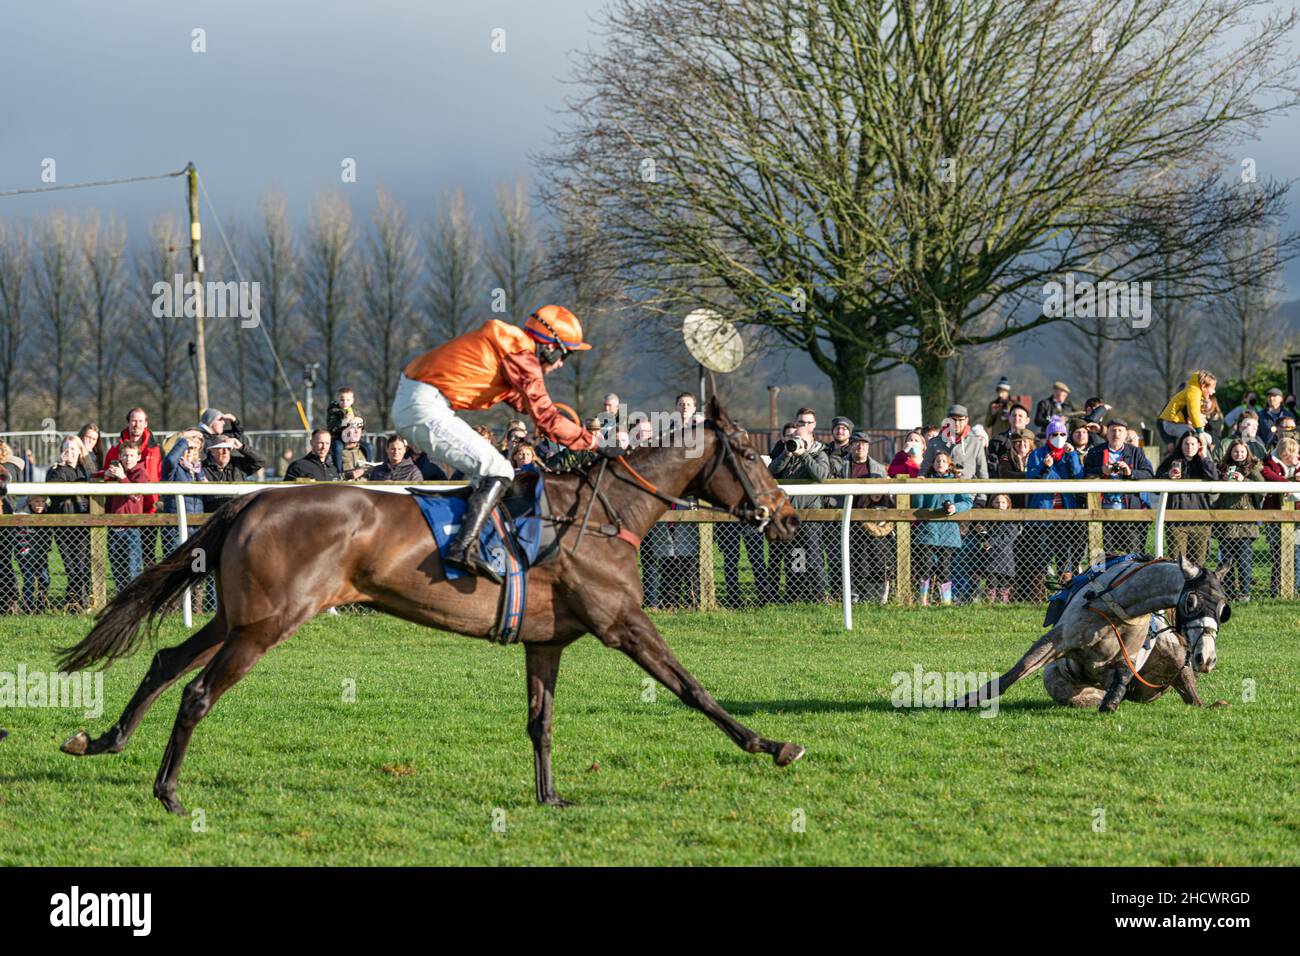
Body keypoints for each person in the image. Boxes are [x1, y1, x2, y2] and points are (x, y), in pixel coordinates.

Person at [391, 304, 603, 581]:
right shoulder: (522, 356)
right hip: (424, 405)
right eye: (565, 354)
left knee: (491, 471)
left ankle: (469, 540)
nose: (562, 364)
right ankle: (463, 548)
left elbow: (520, 400)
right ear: (549, 347)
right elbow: (545, 417)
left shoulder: (511, 347)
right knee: (499, 470)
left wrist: (558, 423)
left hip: (419, 400)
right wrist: (593, 443)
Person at [767, 419, 830, 603]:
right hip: (790, 516)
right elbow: (772, 471)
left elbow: (820, 475)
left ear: (810, 439)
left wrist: (804, 455)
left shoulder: (819, 455)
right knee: (795, 557)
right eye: (794, 438)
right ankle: (795, 594)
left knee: (813, 556)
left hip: (811, 516)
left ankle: (819, 595)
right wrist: (787, 453)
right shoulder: (788, 455)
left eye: (800, 438)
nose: (796, 441)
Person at [1025, 417, 1085, 600]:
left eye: (1062, 434)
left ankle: (1065, 595)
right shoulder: (1037, 454)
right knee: (1041, 556)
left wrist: (1073, 455)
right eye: (1054, 434)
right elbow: (1030, 477)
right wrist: (1045, 466)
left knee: (1064, 556)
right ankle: (1038, 596)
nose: (1058, 437)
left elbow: (1079, 476)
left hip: (1065, 513)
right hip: (1043, 512)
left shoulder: (1069, 454)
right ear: (1048, 436)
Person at [1084, 419, 1153, 556]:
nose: (1116, 434)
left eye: (1120, 430)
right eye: (1113, 430)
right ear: (1107, 433)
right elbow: (1085, 474)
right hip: (1102, 513)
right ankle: (1101, 577)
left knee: (1134, 556)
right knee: (1102, 557)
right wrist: (1102, 470)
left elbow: (1149, 474)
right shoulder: (1095, 452)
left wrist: (1130, 472)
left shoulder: (1136, 452)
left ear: (1125, 434)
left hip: (1130, 513)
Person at [912, 451, 972, 606]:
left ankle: (946, 602)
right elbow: (918, 505)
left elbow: (967, 501)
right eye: (938, 460)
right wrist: (919, 487)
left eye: (944, 461)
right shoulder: (927, 481)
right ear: (933, 464)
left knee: (945, 567)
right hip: (929, 529)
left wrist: (955, 508)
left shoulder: (956, 482)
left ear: (949, 464)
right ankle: (923, 600)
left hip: (948, 530)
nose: (940, 463)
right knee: (926, 564)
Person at [1156, 432, 1218, 566]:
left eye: (1193, 444)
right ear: (1181, 445)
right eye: (1186, 443)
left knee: (1198, 563)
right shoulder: (1171, 461)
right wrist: (1168, 475)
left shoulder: (1204, 462)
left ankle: (1196, 588)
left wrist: (1204, 457)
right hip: (1176, 520)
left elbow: (1214, 477)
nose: (1189, 447)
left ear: (1199, 446)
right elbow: (1156, 484)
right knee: (1177, 562)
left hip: (1200, 520)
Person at [45, 436, 92, 611]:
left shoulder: (85, 471)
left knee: (83, 566)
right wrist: (60, 466)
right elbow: (51, 488)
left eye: (74, 449)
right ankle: (72, 602)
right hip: (63, 524)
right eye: (67, 448)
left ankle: (82, 599)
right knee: (70, 566)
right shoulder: (56, 470)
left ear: (80, 451)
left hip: (82, 524)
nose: (70, 452)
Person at [96, 438, 148, 595]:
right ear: (119, 456)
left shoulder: (140, 473)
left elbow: (136, 495)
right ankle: (121, 597)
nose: (128, 459)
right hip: (114, 528)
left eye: (132, 455)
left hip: (131, 529)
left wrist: (122, 478)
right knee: (117, 569)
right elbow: (94, 476)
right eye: (125, 456)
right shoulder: (117, 472)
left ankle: (135, 598)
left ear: (138, 457)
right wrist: (105, 474)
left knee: (133, 569)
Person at [1214, 439, 1263, 602]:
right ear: (1230, 452)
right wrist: (1223, 481)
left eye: (1242, 451)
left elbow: (1263, 488)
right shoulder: (1221, 467)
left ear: (1247, 452)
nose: (1238, 454)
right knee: (1226, 560)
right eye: (1235, 451)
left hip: (1245, 522)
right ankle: (1227, 592)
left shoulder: (1253, 468)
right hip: (1225, 520)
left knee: (1244, 560)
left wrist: (1244, 481)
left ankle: (1244, 593)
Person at [923, 405, 988, 504]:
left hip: (966, 499)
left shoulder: (975, 443)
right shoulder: (934, 443)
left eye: (960, 420)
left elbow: (982, 475)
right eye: (953, 420)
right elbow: (924, 470)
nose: (957, 423)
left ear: (966, 421)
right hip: (937, 498)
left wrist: (981, 501)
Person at [1156, 369, 1216, 450]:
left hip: (1177, 423)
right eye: (1212, 388)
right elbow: (1193, 412)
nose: (1213, 391)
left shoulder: (1195, 392)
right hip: (1171, 424)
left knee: (1206, 438)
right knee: (1205, 438)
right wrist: (1199, 432)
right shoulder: (1193, 392)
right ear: (1203, 387)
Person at [202, 436, 266, 511]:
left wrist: (241, 447)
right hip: (213, 514)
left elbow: (260, 461)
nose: (225, 452)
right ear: (212, 451)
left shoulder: (239, 464)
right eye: (221, 448)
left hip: (237, 512)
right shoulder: (202, 468)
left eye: (228, 448)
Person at [15, 494, 53, 612]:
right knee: (29, 580)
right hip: (25, 554)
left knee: (45, 579)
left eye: (42, 502)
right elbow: (18, 536)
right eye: (36, 501)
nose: (39, 505)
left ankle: (40, 605)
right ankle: (28, 606)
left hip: (41, 554)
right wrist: (23, 549)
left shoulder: (47, 515)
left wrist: (45, 548)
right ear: (29, 502)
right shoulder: (22, 515)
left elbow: (48, 535)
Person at [981, 494, 1020, 604]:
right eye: (997, 502)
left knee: (1004, 582)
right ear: (992, 504)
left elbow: (1008, 537)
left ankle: (1002, 603)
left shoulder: (1011, 520)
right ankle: (989, 602)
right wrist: (982, 533)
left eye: (1003, 502)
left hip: (1005, 557)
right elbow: (984, 534)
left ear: (1008, 505)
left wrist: (991, 542)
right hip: (991, 557)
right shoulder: (988, 519)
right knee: (991, 581)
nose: (1000, 505)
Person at [987, 404, 1031, 472]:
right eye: (1014, 415)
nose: (1016, 418)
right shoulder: (996, 441)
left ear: (1027, 420)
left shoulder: (1035, 443)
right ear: (1009, 418)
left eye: (1020, 416)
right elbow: (991, 467)